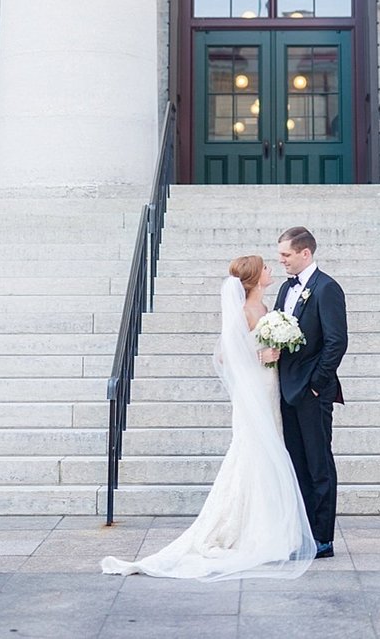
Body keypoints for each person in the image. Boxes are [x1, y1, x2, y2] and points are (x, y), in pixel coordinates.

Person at [101, 255, 316, 580]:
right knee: (252, 452)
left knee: (268, 453)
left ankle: (266, 526)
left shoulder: (266, 308)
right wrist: (261, 354)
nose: (272, 269)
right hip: (254, 390)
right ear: (257, 277)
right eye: (266, 268)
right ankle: (243, 528)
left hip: (269, 387)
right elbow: (223, 354)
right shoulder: (244, 311)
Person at [275, 226, 348, 559]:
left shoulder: (327, 288)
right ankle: (303, 533)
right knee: (298, 464)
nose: (282, 261)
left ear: (305, 253)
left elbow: (336, 342)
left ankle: (323, 538)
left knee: (319, 464)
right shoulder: (284, 289)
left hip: (313, 392)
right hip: (286, 391)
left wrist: (318, 384)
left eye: (286, 255)